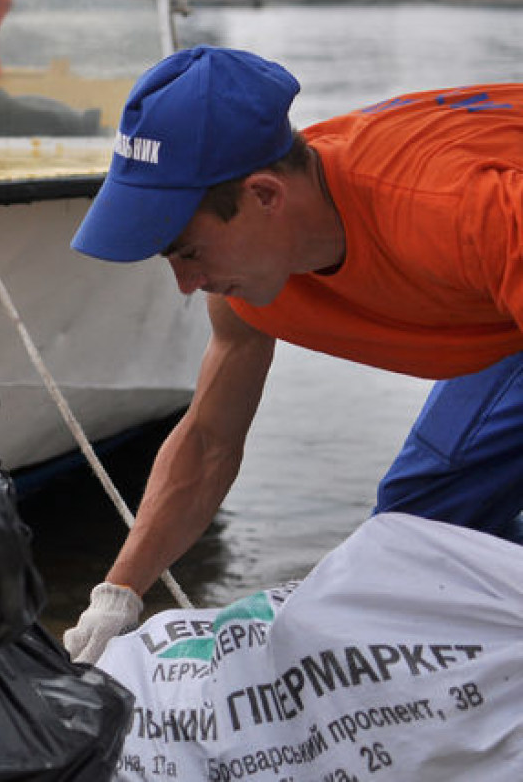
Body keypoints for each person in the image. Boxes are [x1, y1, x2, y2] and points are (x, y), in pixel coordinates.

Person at [61, 44, 523, 664]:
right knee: (416, 547)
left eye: (188, 251)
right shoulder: (243, 289)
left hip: (498, 261)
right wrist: (117, 595)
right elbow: (208, 444)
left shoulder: (458, 211)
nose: (185, 284)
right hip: (497, 305)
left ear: (265, 195)